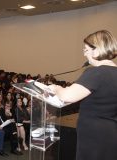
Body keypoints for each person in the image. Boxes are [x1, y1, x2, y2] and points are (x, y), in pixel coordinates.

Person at [49, 30, 117, 160]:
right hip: (110, 132)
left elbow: (66, 96)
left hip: (93, 134)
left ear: (96, 51)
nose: (84, 53)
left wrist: (55, 87)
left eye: (86, 50)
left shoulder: (96, 72)